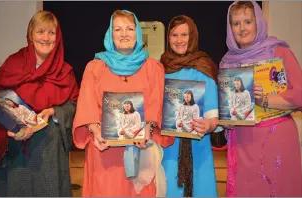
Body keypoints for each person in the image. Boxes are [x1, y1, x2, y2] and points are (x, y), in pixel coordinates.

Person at [72, 10, 174, 196]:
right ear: (110, 34)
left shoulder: (153, 68)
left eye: (129, 28)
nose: (124, 34)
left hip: (141, 151)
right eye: (118, 29)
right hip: (103, 151)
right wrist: (96, 131)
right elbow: (86, 104)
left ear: (138, 33)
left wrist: (148, 129)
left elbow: (157, 103)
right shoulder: (95, 67)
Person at [0, 11, 79, 196]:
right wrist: (13, 125)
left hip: (50, 150)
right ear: (31, 35)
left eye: (51, 33)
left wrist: (53, 111)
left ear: (57, 37)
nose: (46, 38)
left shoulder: (65, 72)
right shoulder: (14, 63)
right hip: (16, 149)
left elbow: (74, 105)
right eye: (40, 32)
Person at [220, 1, 302, 196]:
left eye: (247, 21)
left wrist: (265, 100)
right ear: (230, 28)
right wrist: (227, 119)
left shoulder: (279, 52)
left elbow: (299, 94)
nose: (242, 28)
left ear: (258, 23)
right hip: (243, 144)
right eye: (236, 23)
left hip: (277, 140)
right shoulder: (227, 62)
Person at [160, 15, 219, 197]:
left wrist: (208, 125)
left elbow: (213, 117)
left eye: (184, 35)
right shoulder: (159, 69)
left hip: (198, 148)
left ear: (192, 36)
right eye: (174, 35)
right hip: (168, 149)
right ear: (168, 38)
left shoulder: (204, 67)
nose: (179, 40)